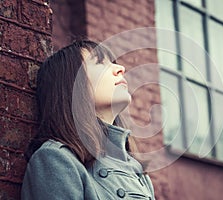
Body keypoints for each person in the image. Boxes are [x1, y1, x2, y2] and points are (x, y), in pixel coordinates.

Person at [21, 40, 156, 199]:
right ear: (72, 84)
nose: (120, 68)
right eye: (100, 63)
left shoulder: (139, 174)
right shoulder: (55, 159)